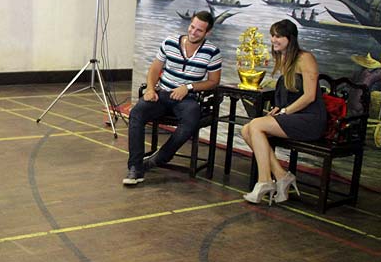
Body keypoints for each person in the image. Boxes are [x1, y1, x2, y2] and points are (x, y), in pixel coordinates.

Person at [123, 11, 222, 185]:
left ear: (208, 33)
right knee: (137, 113)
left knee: (191, 120)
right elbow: (155, 69)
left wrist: (188, 87)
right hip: (163, 93)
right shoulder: (170, 42)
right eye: (192, 26)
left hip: (188, 99)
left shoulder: (212, 52)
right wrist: (150, 89)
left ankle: (160, 158)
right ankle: (135, 167)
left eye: (199, 30)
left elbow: (213, 82)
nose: (193, 32)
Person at [241, 19, 327, 204]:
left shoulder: (305, 58)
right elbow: (291, 92)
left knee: (255, 126)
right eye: (272, 35)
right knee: (246, 130)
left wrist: (285, 111)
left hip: (311, 119)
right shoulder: (283, 58)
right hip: (294, 116)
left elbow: (309, 96)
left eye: (279, 36)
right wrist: (279, 109)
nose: (274, 39)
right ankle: (281, 176)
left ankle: (264, 181)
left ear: (291, 38)